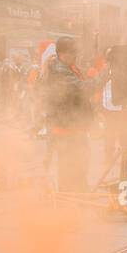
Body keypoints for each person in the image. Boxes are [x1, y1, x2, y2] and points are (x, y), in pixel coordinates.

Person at [41, 38, 93, 191]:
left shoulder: (68, 67)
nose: (76, 55)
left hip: (73, 124)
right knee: (69, 164)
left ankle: (78, 192)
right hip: (65, 126)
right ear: (63, 54)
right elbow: (82, 89)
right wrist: (104, 77)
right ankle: (68, 200)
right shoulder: (60, 71)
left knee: (79, 162)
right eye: (73, 52)